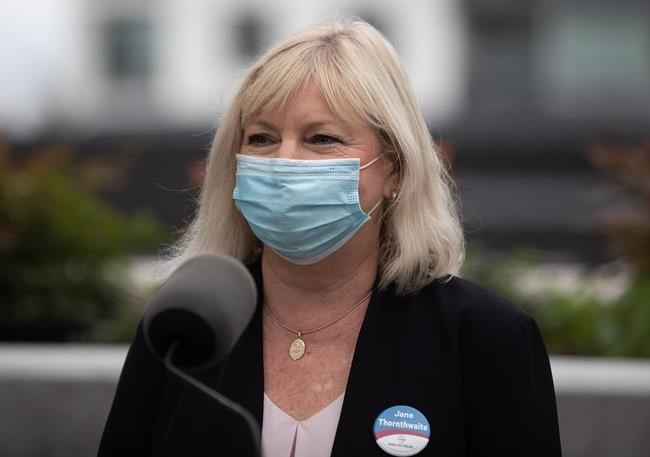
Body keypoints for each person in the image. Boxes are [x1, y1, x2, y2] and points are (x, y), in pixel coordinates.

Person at [98, 19, 562, 457]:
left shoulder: (486, 340)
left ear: (394, 168)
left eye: (321, 138)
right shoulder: (184, 328)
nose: (285, 162)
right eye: (261, 139)